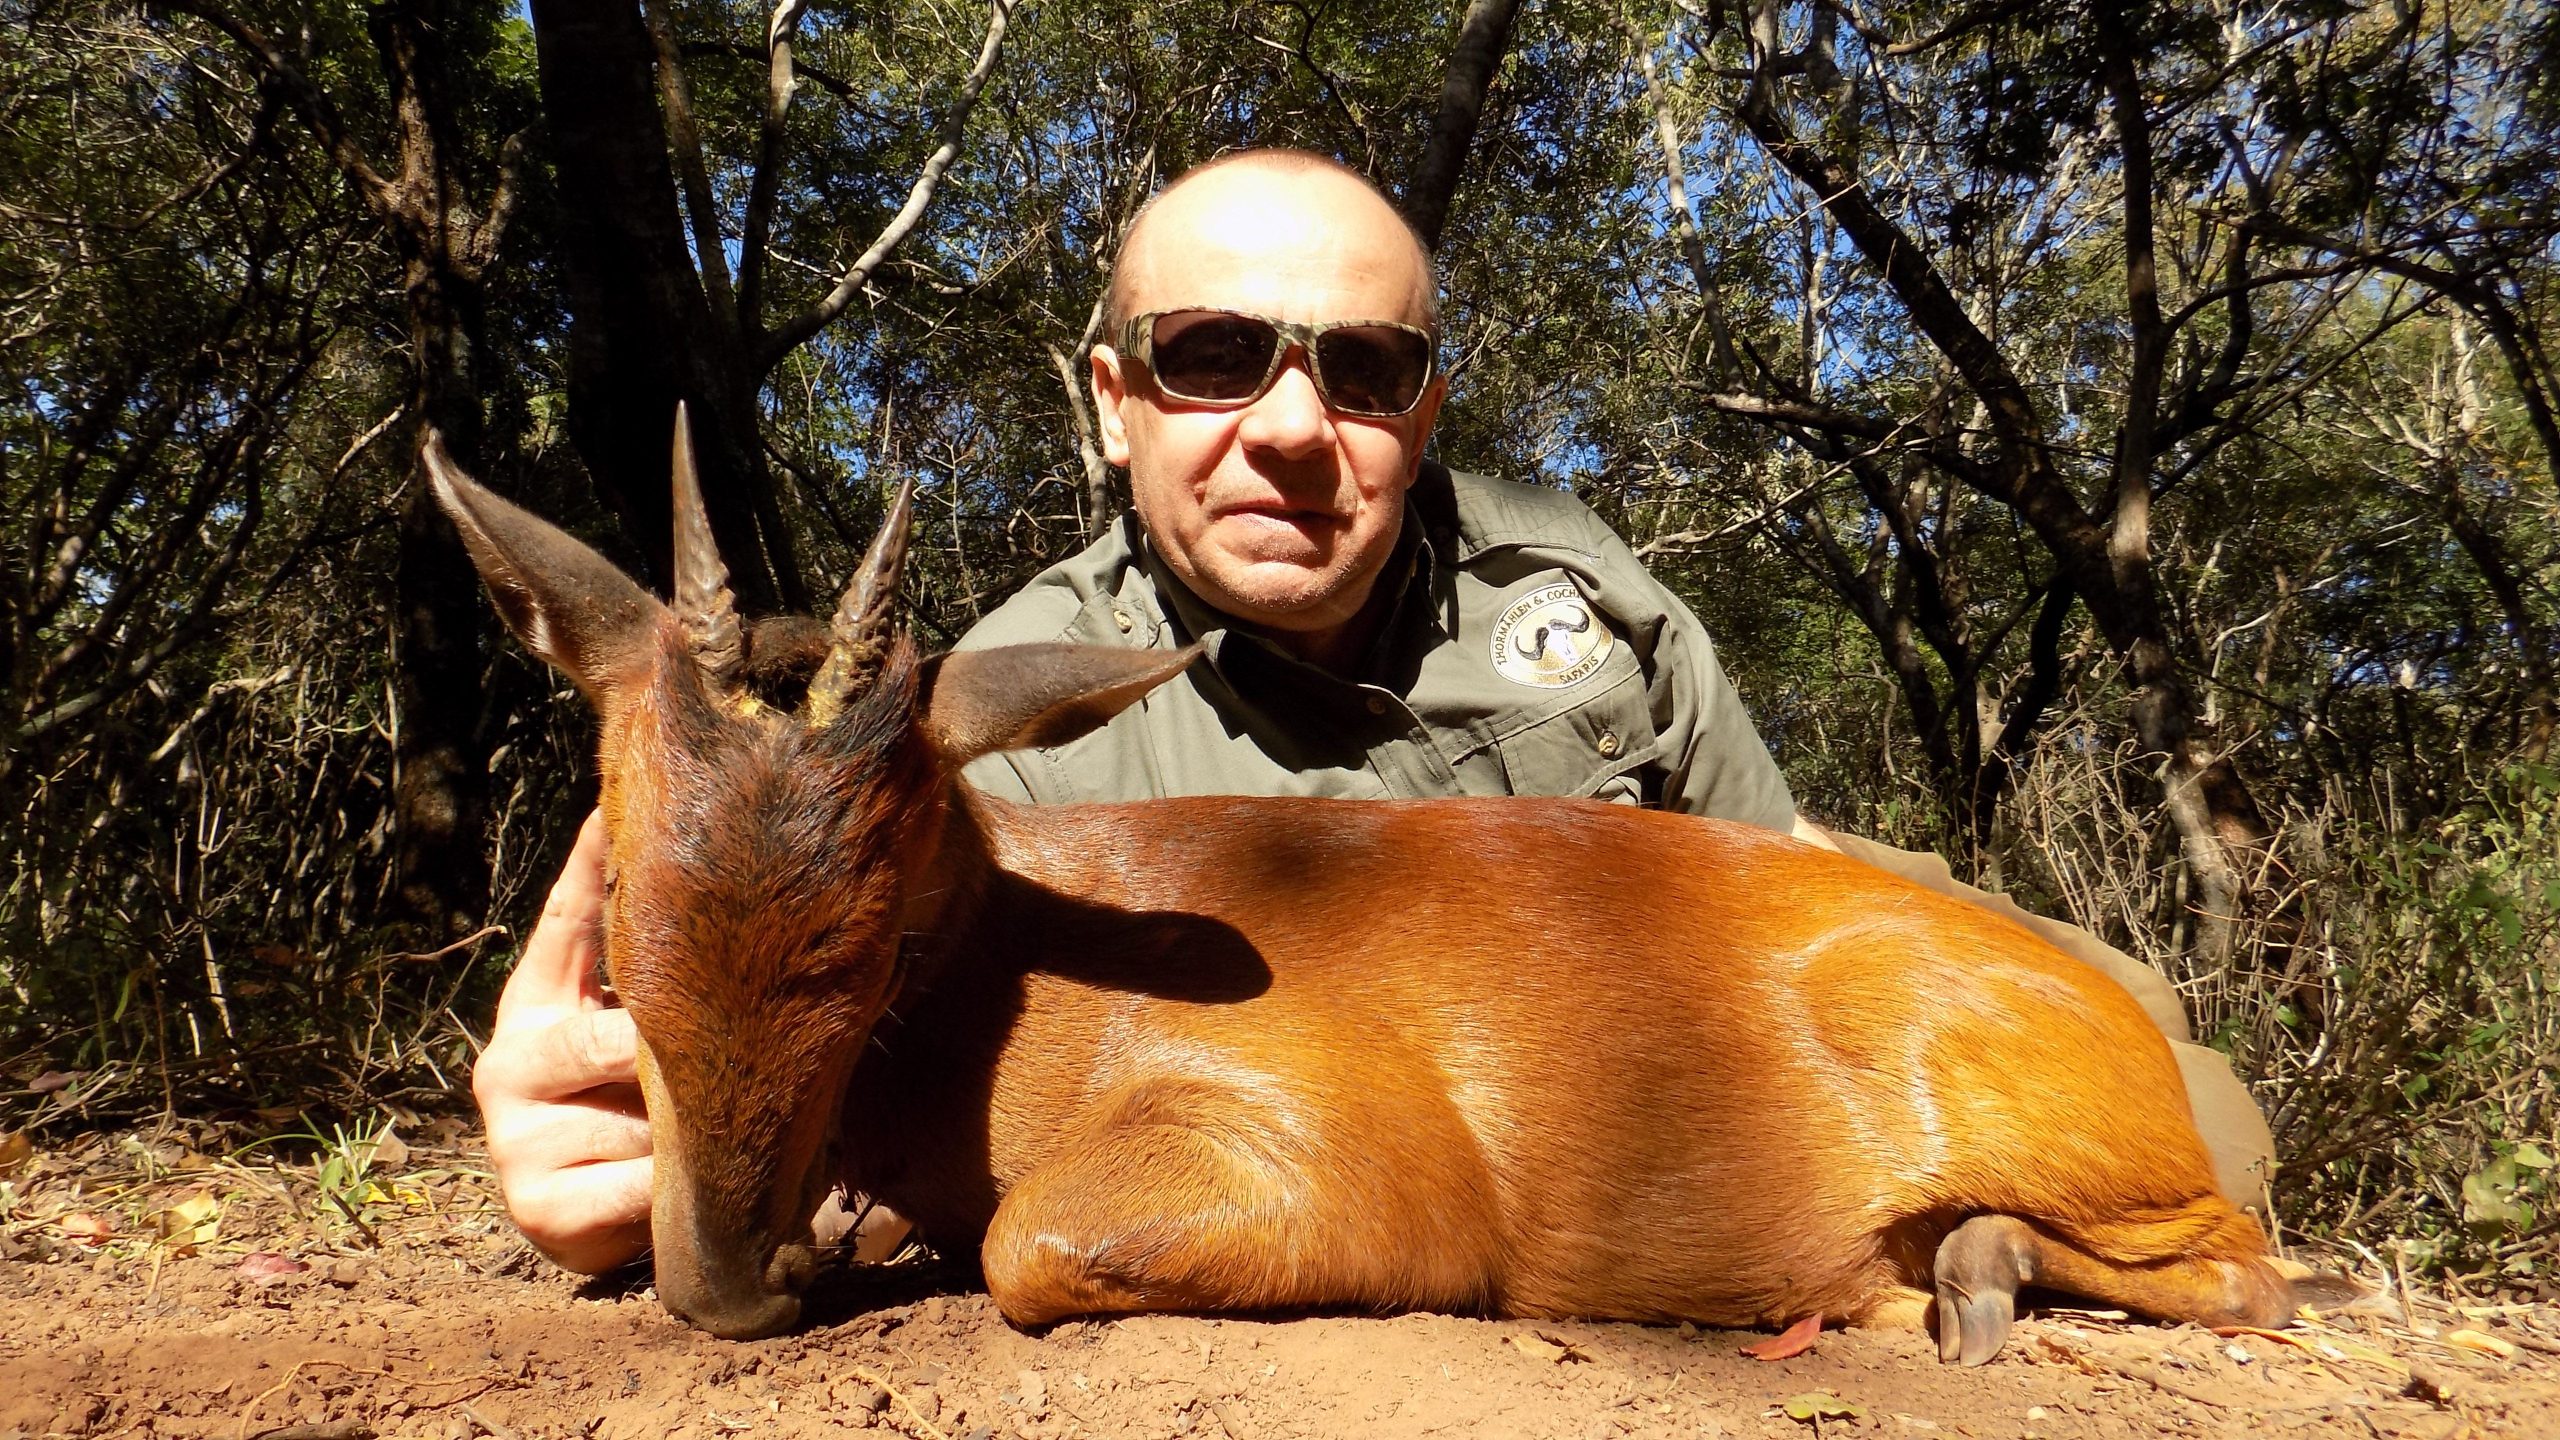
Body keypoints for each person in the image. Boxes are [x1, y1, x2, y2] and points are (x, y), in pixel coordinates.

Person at [471, 150, 2275, 1278]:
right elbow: (827, 962)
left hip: (1756, 958)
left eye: (1361, 367)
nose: (1287, 424)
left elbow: (1777, 860)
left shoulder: (1576, 586)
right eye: (1210, 356)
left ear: (1423, 408)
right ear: (1112, 400)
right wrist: (616, 1117)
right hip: (1440, 1113)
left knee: (2179, 1088)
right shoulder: (985, 723)